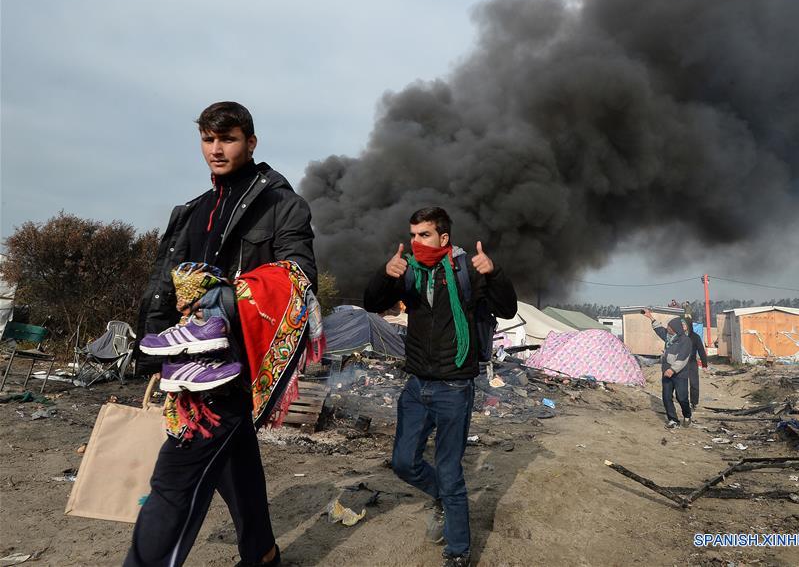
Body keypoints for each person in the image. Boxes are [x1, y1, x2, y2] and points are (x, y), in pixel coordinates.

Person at [126, 101, 317, 567]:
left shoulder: (282, 205)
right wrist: (152, 354)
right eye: (209, 140)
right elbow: (163, 289)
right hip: (186, 361)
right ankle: (263, 554)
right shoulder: (192, 211)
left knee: (173, 485)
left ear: (250, 143)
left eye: (227, 139)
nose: (216, 149)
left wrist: (222, 300)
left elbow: (298, 275)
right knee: (238, 467)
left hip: (234, 363)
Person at [364, 207, 517, 567]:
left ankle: (459, 552)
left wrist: (494, 274)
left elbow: (508, 309)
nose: (416, 242)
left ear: (444, 238)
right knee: (403, 462)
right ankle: (442, 501)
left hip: (454, 387)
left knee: (449, 471)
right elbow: (371, 302)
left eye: (424, 235)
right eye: (413, 235)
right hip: (416, 384)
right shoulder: (410, 272)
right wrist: (386, 276)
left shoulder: (466, 271)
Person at [643, 309, 693, 428]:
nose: (668, 328)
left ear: (676, 328)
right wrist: (650, 317)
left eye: (670, 327)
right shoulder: (669, 337)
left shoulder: (685, 340)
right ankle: (673, 420)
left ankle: (687, 415)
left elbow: (683, 358)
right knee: (666, 397)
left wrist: (673, 370)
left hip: (679, 374)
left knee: (681, 397)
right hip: (666, 373)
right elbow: (659, 330)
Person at [686, 327, 709, 410]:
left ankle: (694, 402)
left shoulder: (695, 337)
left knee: (694, 383)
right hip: (680, 363)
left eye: (685, 324)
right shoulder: (679, 335)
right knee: (682, 383)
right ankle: (684, 401)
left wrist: (704, 365)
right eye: (681, 324)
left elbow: (701, 351)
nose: (683, 326)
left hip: (691, 362)